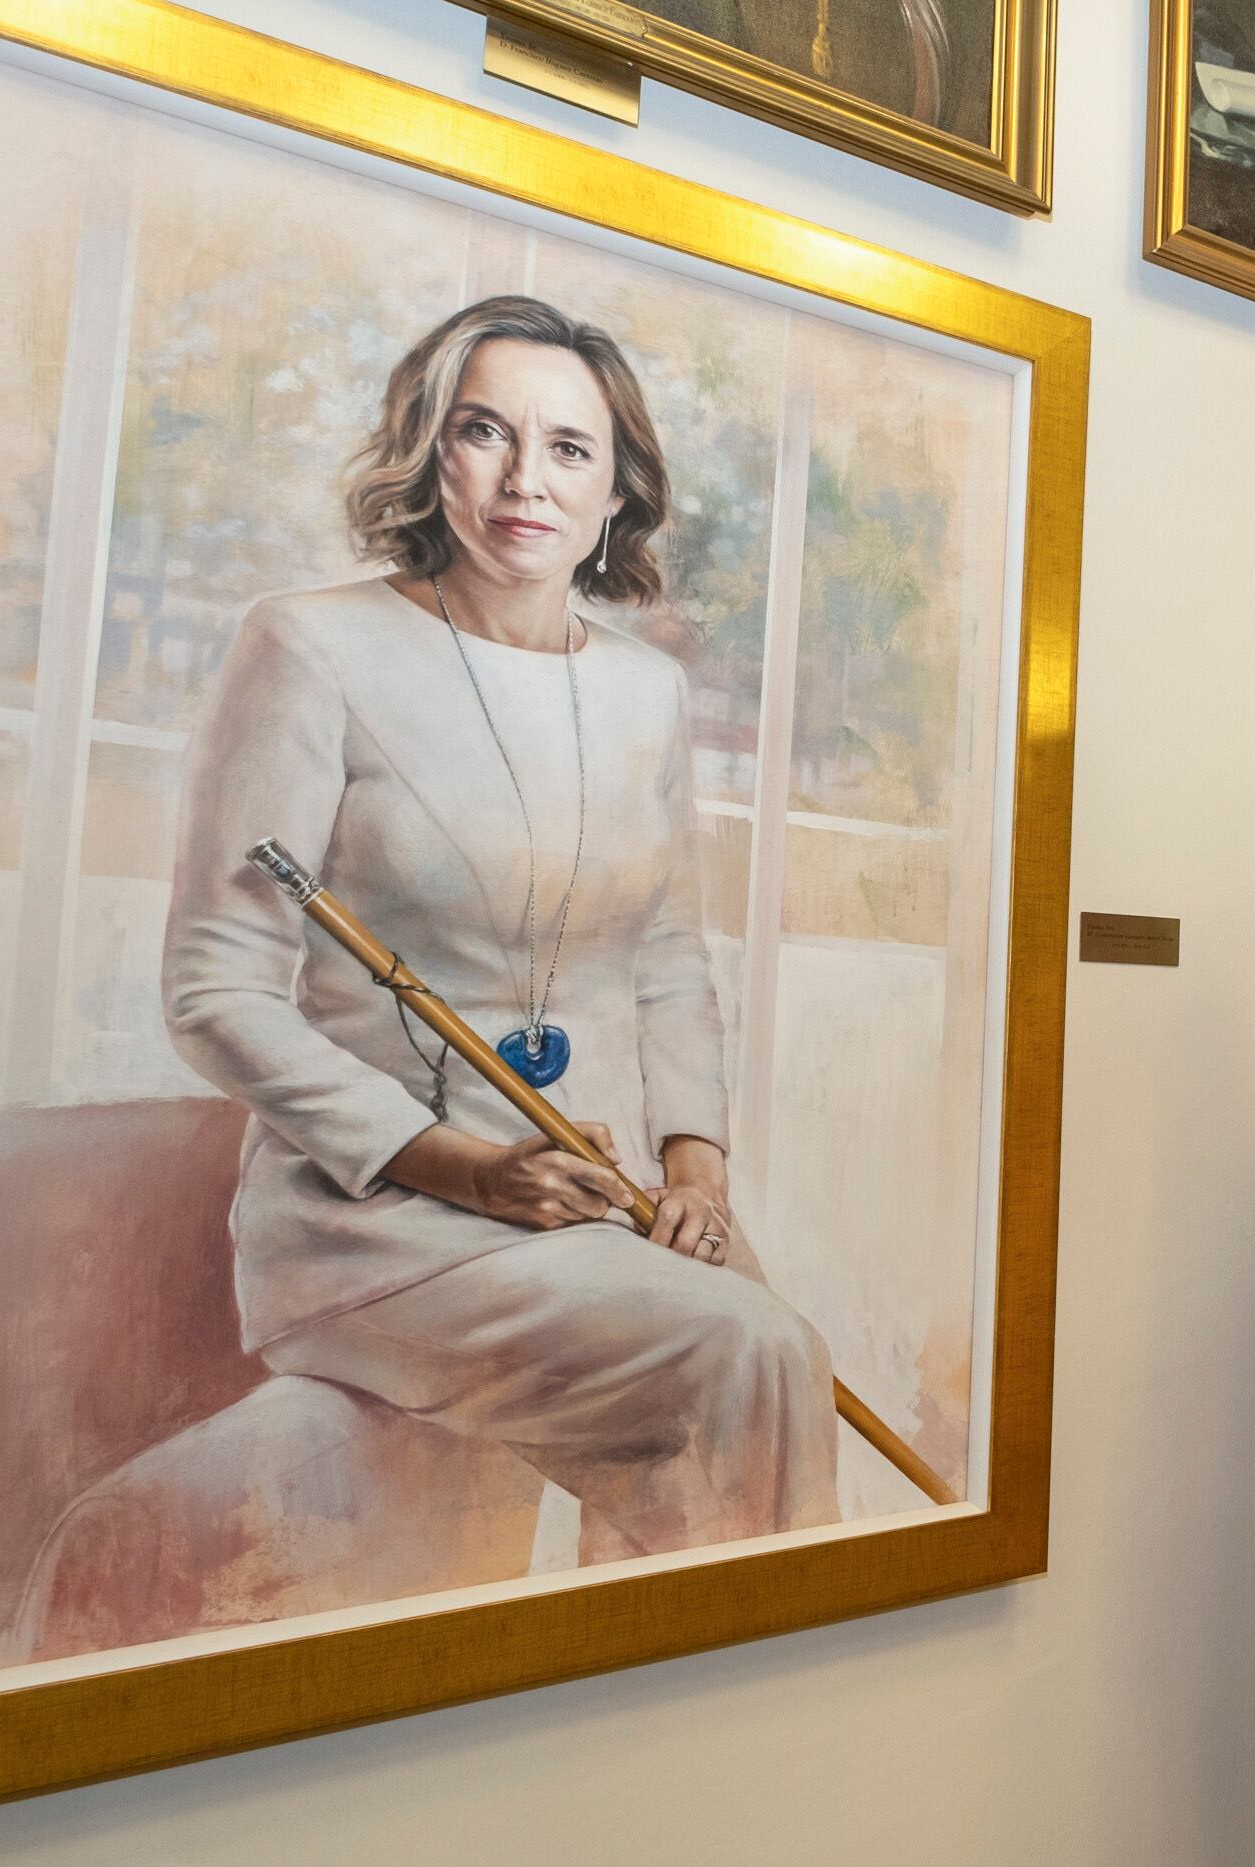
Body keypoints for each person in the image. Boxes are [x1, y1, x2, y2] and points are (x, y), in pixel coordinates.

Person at [162, 295, 839, 1564]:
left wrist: (693, 1167)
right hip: (378, 1224)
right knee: (754, 1351)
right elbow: (214, 989)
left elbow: (666, 959)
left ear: (616, 489)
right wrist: (462, 1166)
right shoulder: (308, 644)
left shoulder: (644, 691)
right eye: (485, 433)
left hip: (596, 1199)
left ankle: (682, 1730)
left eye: (570, 449)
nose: (525, 479)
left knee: (756, 1389)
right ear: (430, 452)